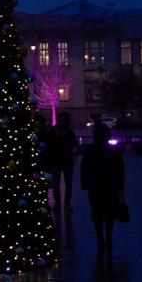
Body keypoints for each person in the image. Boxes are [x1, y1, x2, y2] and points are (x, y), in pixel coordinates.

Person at [81, 123, 125, 260]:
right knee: (110, 214)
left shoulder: (90, 150)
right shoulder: (114, 150)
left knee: (97, 214)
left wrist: (85, 184)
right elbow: (120, 169)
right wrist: (120, 185)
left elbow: (84, 168)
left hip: (95, 186)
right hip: (110, 186)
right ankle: (109, 238)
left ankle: (100, 238)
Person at [50, 111, 77, 212]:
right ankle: (64, 204)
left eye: (62, 120)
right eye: (59, 120)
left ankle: (64, 204)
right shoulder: (67, 132)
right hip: (60, 161)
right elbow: (74, 147)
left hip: (63, 161)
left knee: (61, 184)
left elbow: (74, 147)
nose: (60, 122)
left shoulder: (68, 132)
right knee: (62, 184)